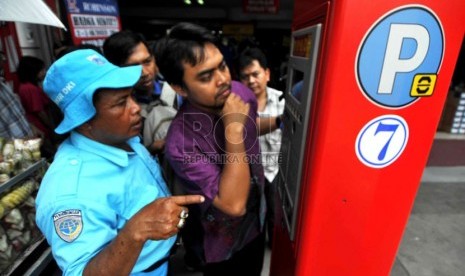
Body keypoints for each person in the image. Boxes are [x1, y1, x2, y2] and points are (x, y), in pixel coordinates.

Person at [35, 49, 204, 275]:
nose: (136, 108)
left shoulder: (123, 138)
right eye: (121, 102)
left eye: (132, 96)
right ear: (84, 120)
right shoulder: (70, 193)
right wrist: (134, 233)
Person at [155, 22, 271, 275]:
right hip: (219, 246)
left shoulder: (240, 93)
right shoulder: (181, 142)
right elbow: (233, 204)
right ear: (179, 88)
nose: (222, 80)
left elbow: (252, 126)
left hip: (257, 223)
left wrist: (283, 121)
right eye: (206, 77)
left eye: (222, 66)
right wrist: (233, 130)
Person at [103, 30, 179, 191]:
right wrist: (150, 149)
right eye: (132, 66)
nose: (144, 72)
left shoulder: (176, 91)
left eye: (147, 61)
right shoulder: (112, 110)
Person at [238, 47, 285, 247]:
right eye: (245, 76)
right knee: (251, 218)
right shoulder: (237, 104)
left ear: (267, 74)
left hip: (276, 171)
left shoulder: (284, 101)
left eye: (255, 74)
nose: (251, 81)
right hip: (248, 173)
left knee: (276, 215)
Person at [17, 56, 60, 157]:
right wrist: (52, 127)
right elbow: (39, 111)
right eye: (42, 70)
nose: (44, 72)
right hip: (41, 128)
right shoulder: (31, 89)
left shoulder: (23, 87)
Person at [0, 51, 34, 138]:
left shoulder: (3, 83)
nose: (4, 60)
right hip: (16, 150)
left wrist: (31, 127)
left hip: (28, 144)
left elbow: (16, 114)